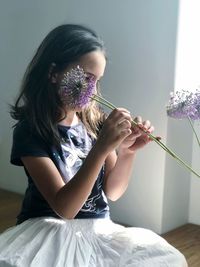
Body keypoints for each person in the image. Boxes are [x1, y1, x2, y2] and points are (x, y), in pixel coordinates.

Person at [0, 24, 187, 267]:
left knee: (170, 260)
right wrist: (100, 149)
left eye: (97, 81)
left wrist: (127, 151)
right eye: (86, 78)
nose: (92, 91)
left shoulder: (94, 124)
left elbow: (113, 192)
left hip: (99, 230)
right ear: (53, 73)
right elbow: (64, 208)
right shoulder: (31, 131)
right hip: (49, 228)